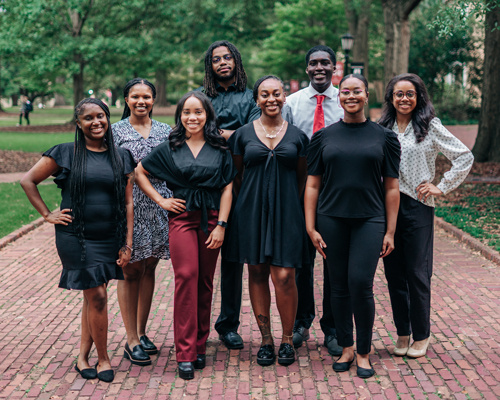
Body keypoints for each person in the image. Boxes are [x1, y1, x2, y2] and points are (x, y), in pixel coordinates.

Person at [20, 98, 136, 383]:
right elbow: (28, 180)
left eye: (101, 116)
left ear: (108, 119)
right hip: (76, 237)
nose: (96, 122)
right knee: (97, 295)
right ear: (78, 123)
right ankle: (104, 359)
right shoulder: (66, 153)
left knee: (92, 297)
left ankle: (83, 356)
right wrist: (47, 214)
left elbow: (129, 203)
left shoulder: (121, 155)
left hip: (110, 234)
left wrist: (127, 242)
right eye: (89, 118)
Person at [305, 74, 400, 378]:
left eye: (356, 91)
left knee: (361, 283)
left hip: (370, 220)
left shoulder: (384, 137)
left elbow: (392, 188)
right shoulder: (323, 137)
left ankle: (363, 351)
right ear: (339, 97)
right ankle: (345, 347)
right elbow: (312, 185)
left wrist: (390, 230)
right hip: (331, 219)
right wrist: (311, 227)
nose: (350, 96)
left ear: (366, 95)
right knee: (338, 286)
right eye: (345, 91)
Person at [134, 91, 235, 380]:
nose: (193, 117)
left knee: (204, 282)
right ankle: (185, 352)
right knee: (187, 277)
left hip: (213, 219)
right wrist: (162, 201)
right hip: (182, 219)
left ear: (207, 115)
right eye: (187, 112)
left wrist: (222, 226)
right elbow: (140, 172)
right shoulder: (171, 146)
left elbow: (227, 187)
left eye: (199, 112)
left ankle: (200, 345)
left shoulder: (219, 147)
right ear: (180, 116)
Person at [379, 73, 474, 358]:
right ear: (391, 98)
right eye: (399, 94)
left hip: (417, 205)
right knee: (393, 273)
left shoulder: (429, 126)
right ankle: (403, 332)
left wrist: (441, 187)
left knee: (417, 273)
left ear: (418, 97)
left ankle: (421, 334)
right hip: (385, 206)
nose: (404, 99)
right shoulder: (382, 127)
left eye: (410, 93)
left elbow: (463, 156)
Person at [225, 75, 309, 366]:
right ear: (256, 99)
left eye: (276, 93)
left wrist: (284, 199)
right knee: (257, 272)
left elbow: (302, 176)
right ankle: (266, 340)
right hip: (250, 213)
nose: (271, 99)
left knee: (285, 276)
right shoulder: (242, 135)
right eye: (264, 94)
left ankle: (287, 339)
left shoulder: (298, 136)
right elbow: (236, 175)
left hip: (288, 212)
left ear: (284, 96)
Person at [282, 45, 344, 355]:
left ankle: (331, 328)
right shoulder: (291, 104)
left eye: (325, 63)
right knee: (301, 262)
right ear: (307, 69)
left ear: (335, 68)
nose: (319, 67)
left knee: (333, 262)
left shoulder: (345, 102)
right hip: (299, 191)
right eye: (313, 63)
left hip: (335, 193)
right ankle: (301, 321)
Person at [200, 40, 260, 350]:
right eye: (216, 59)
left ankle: (228, 325)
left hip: (241, 185)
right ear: (209, 66)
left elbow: (252, 135)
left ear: (236, 61)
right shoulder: (200, 97)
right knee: (201, 263)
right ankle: (198, 329)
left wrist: (217, 132)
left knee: (234, 259)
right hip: (205, 186)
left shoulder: (250, 98)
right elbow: (192, 131)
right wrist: (233, 133)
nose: (222, 62)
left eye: (227, 57)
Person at [113, 78, 172, 366]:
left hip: (160, 206)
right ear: (126, 100)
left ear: (153, 99)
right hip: (130, 206)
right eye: (135, 96)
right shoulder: (115, 131)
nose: (141, 101)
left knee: (149, 266)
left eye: (146, 96)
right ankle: (131, 339)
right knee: (130, 269)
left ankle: (142, 331)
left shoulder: (166, 131)